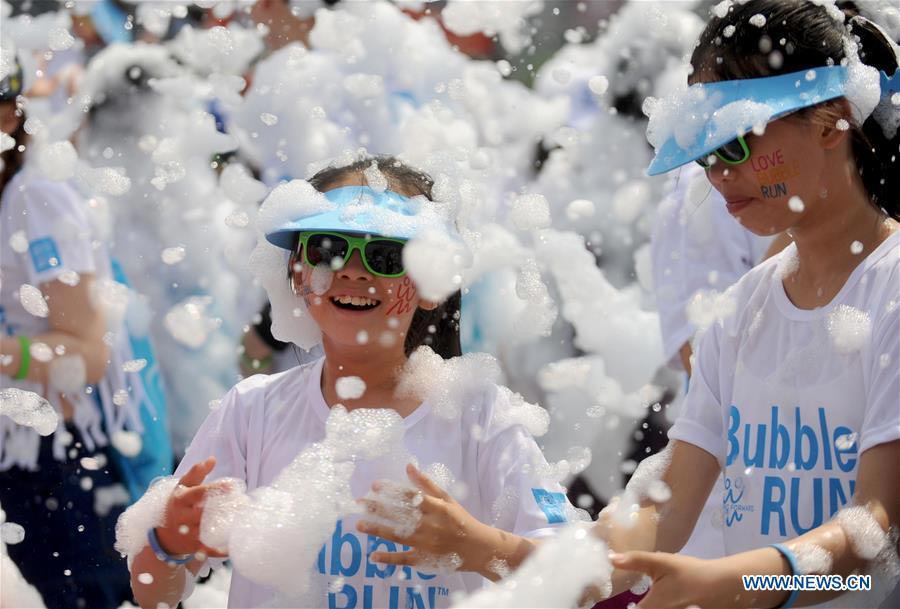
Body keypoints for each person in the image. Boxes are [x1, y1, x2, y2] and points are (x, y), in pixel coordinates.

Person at [126, 155, 576, 609]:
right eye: (327, 249)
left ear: (430, 283)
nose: (353, 271)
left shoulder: (479, 414)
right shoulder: (251, 411)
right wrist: (168, 543)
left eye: (385, 255)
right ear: (296, 271)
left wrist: (480, 547)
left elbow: (580, 575)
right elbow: (152, 593)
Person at [584, 2, 900, 608]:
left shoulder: (891, 288)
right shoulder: (742, 306)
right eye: (704, 150)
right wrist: (511, 558)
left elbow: (868, 546)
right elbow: (662, 510)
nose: (717, 174)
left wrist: (731, 583)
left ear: (832, 120)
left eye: (733, 141)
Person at [0, 57, 169, 608]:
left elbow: (87, 355)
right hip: (27, 456)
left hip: (64, 464)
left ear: (7, 116)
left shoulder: (36, 198)